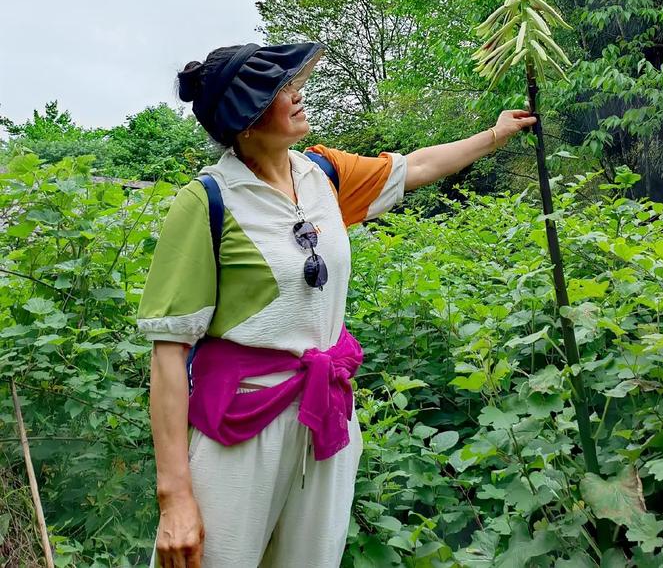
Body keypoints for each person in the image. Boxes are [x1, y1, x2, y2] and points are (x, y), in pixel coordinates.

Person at [137, 40, 537, 568]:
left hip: (325, 412)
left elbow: (412, 168)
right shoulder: (208, 201)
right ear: (248, 118)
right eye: (281, 90)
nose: (298, 95)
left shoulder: (321, 174)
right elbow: (169, 353)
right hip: (241, 424)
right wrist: (175, 499)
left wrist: (495, 135)